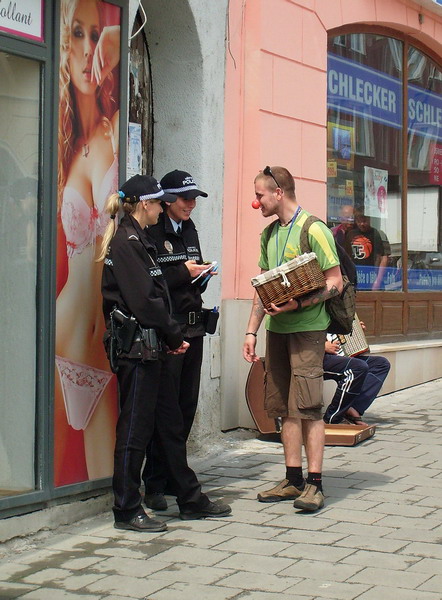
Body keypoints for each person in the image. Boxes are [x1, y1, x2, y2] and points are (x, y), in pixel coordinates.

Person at [100, 174, 231, 532]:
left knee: (170, 423)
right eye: (159, 202)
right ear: (146, 204)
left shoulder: (138, 238)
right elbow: (146, 301)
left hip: (152, 347)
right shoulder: (128, 242)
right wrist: (174, 335)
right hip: (137, 350)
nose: (163, 208)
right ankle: (126, 508)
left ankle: (189, 498)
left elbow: (154, 293)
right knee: (134, 430)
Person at [243, 166, 343, 512]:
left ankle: (315, 484)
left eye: (260, 195)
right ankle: (292, 479)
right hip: (277, 331)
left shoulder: (314, 229)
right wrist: (251, 330)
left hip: (307, 331)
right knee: (284, 408)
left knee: (309, 407)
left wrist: (299, 304)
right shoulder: (269, 234)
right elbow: (261, 287)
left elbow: (335, 282)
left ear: (278, 193)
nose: (256, 202)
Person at [55, 0, 121, 484]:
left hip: (99, 344)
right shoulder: (63, 141)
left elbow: (116, 222)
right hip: (61, 338)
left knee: (106, 484)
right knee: (45, 474)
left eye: (94, 35)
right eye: (76, 34)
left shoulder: (112, 132)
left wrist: (110, 39)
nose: (86, 49)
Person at [142, 170, 216, 512]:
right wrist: (183, 273)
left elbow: (188, 274)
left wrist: (202, 275)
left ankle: (173, 474)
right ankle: (154, 482)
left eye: (194, 199)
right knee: (166, 411)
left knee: (186, 406)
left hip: (194, 328)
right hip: (170, 331)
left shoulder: (189, 228)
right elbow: (152, 282)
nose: (191, 205)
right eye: (186, 199)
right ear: (168, 199)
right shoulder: (152, 230)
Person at [323, 330, 391, 425]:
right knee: (357, 368)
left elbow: (341, 337)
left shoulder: (330, 321)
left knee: (381, 364)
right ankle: (332, 419)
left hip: (333, 356)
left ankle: (352, 408)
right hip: (313, 360)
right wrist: (323, 346)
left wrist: (355, 331)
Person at [345, 210, 390, 291]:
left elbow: (384, 258)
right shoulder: (350, 234)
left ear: (370, 219)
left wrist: (378, 281)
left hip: (372, 277)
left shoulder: (378, 234)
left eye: (364, 221)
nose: (362, 224)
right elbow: (347, 257)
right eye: (359, 221)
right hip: (355, 278)